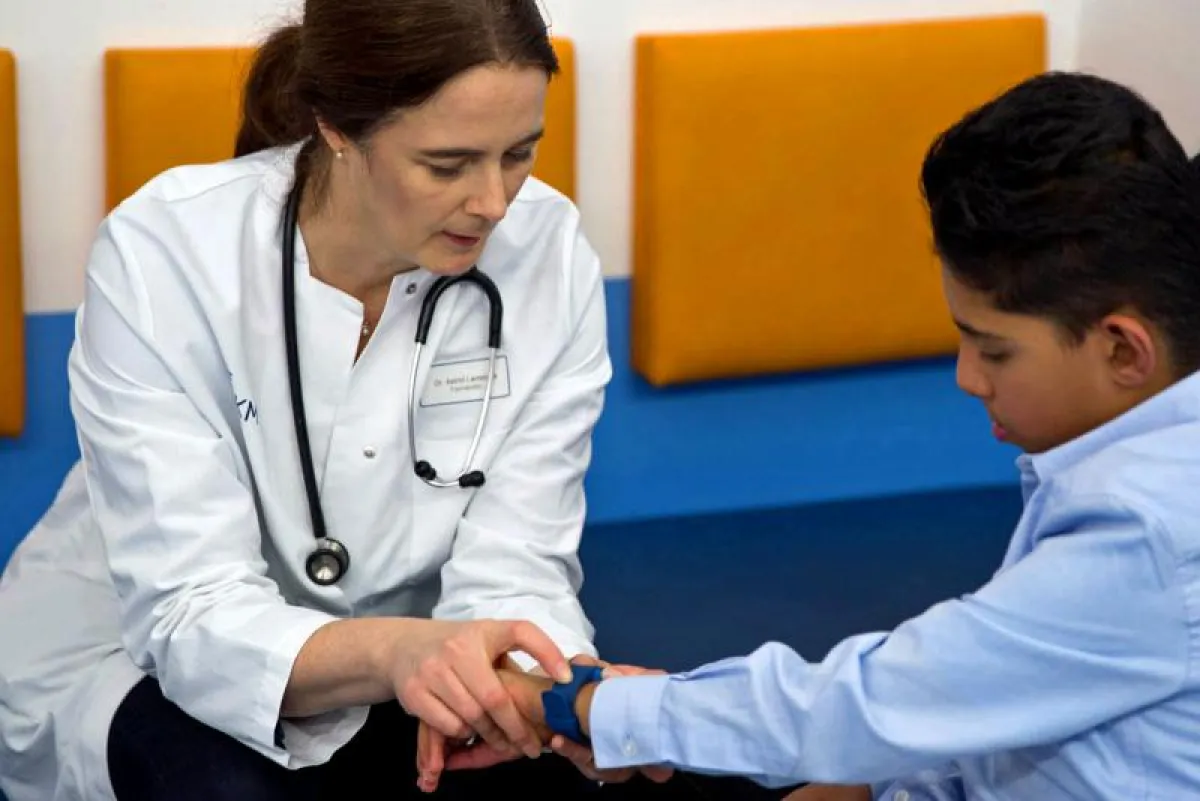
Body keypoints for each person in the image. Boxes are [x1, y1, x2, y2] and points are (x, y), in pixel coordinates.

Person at [0, 2, 792, 800]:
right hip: (137, 657)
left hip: (423, 654)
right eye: (447, 165)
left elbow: (517, 563)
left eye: (519, 153)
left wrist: (555, 687)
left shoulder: (549, 255)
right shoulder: (165, 255)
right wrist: (401, 653)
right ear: (337, 128)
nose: (494, 202)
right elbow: (189, 613)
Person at [432, 71, 1200, 800]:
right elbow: (995, 712)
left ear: (1123, 349)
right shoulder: (1135, 479)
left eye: (993, 348)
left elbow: (882, 701)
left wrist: (588, 707)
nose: (968, 377)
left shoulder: (1151, 529)